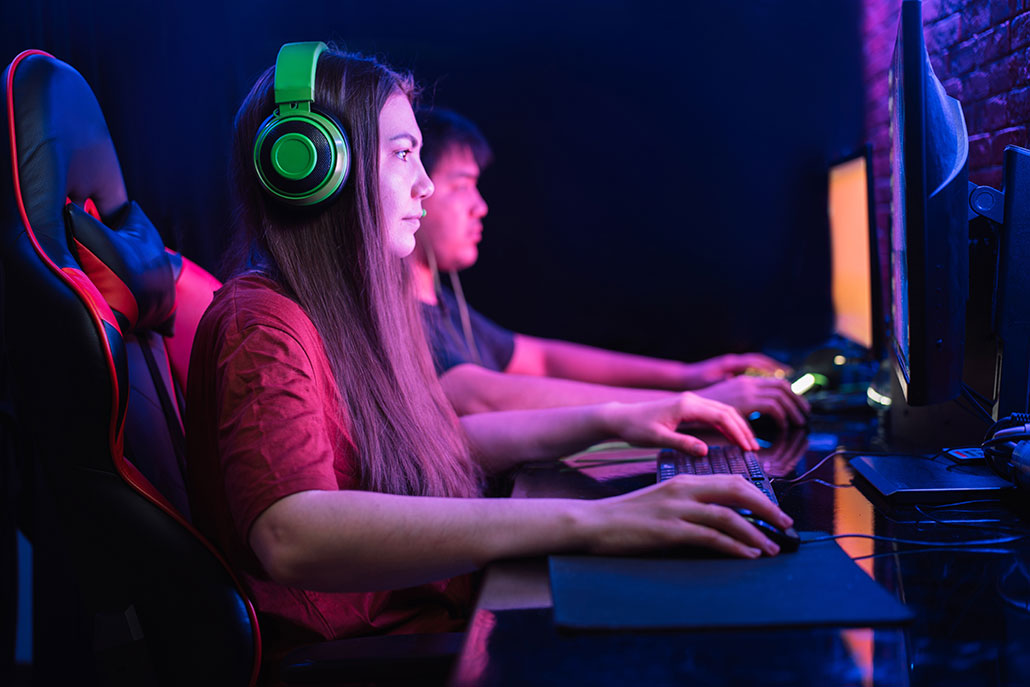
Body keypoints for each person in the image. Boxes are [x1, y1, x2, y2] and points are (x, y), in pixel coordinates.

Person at [185, 44, 794, 673]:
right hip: (385, 656)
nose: (423, 183)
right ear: (310, 165)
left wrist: (618, 420)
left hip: (441, 614)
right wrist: (592, 521)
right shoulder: (262, 325)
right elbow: (293, 531)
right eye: (402, 154)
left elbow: (448, 438)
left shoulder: (346, 316)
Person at [411, 108, 809, 428]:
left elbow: (541, 359)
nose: (480, 206)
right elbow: (482, 396)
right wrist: (694, 403)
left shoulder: (441, 302)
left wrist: (688, 377)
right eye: (461, 186)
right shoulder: (399, 311)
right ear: (415, 191)